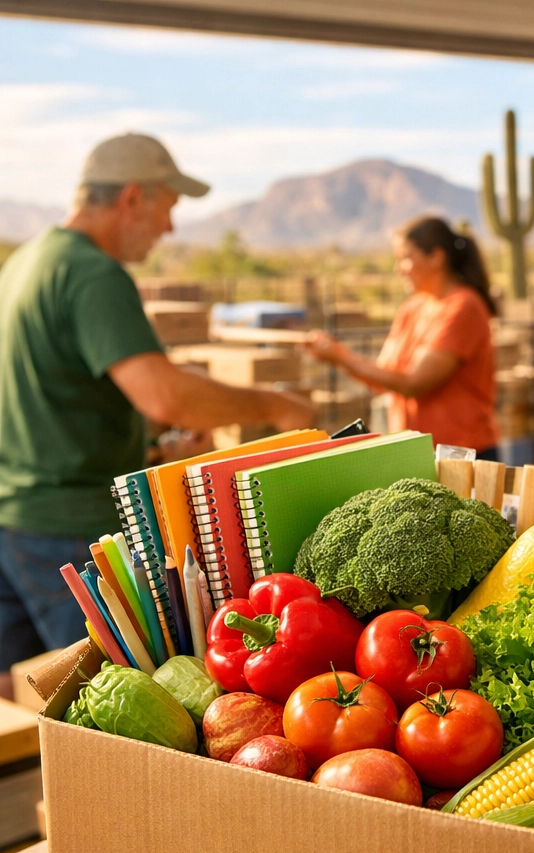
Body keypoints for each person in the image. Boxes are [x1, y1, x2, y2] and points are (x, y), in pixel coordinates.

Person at [0, 133, 314, 698]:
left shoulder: (30, 261)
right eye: (168, 209)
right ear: (131, 199)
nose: (169, 228)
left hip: (13, 517)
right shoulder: (93, 274)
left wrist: (152, 452)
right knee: (107, 706)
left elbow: (52, 393)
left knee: (19, 705)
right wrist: (272, 404)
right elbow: (163, 395)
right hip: (68, 531)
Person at [307, 217, 499, 457]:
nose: (398, 269)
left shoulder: (464, 307)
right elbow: (385, 376)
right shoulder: (412, 308)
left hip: (461, 455)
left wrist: (341, 356)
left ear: (436, 258)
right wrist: (334, 354)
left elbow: (414, 384)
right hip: (415, 454)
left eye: (406, 258)